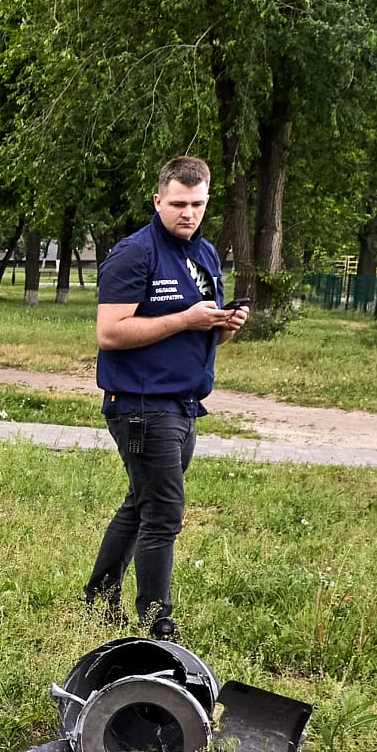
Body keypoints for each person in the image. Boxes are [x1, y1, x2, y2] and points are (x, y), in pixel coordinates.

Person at [84, 155, 248, 640]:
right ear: (158, 200)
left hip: (183, 401)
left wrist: (223, 328)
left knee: (142, 503)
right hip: (140, 403)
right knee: (164, 514)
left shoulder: (205, 255)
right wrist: (187, 319)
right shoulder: (135, 254)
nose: (188, 213)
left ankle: (98, 595)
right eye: (178, 203)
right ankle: (158, 620)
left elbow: (197, 335)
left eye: (197, 204)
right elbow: (110, 333)